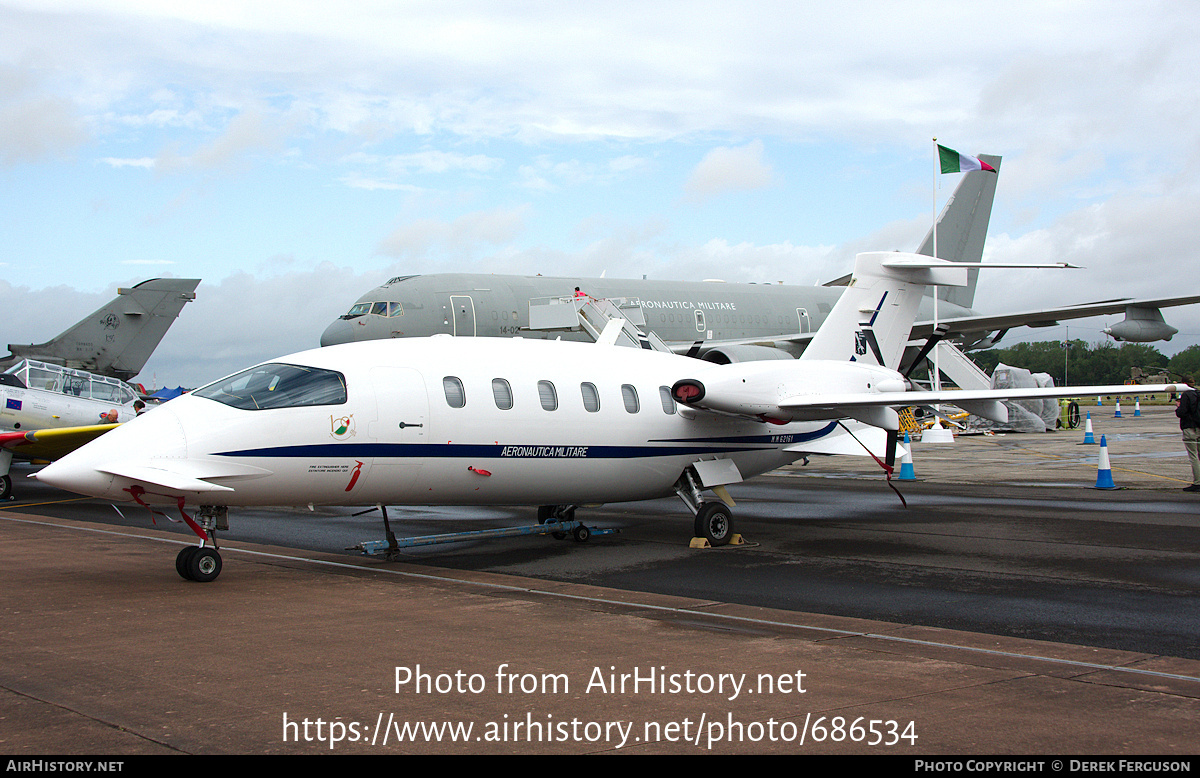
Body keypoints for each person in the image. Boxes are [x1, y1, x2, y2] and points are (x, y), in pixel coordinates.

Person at [1176, 376, 1200, 492]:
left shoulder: (1186, 395)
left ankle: (1197, 482)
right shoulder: (1198, 393)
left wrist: (1178, 408)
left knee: (1193, 456)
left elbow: (1182, 412)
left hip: (1190, 427)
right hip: (1199, 426)